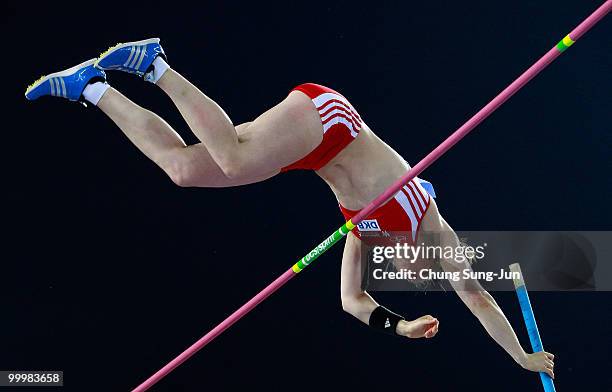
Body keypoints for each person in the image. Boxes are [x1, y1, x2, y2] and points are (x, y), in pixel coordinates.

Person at [25, 38, 554, 379]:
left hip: (310, 154)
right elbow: (479, 298)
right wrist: (524, 360)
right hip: (332, 122)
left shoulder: (364, 235)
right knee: (230, 157)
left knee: (185, 170)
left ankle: (92, 90)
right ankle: (153, 64)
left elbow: (352, 302)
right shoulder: (434, 229)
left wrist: (402, 326)